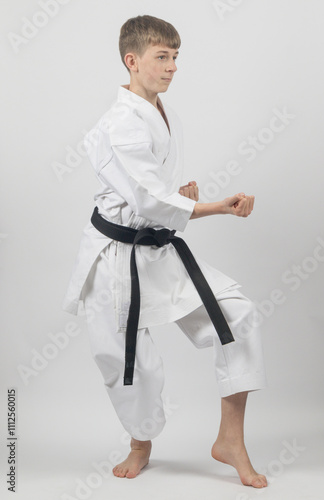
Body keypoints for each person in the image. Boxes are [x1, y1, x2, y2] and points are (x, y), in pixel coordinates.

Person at [62, 14, 268, 488]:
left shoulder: (157, 109)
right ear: (132, 61)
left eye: (176, 57)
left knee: (238, 315)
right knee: (129, 364)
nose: (173, 66)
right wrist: (212, 206)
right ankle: (140, 443)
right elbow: (148, 199)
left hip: (156, 250)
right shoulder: (119, 125)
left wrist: (180, 197)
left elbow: (152, 191)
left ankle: (230, 440)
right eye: (162, 57)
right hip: (114, 260)